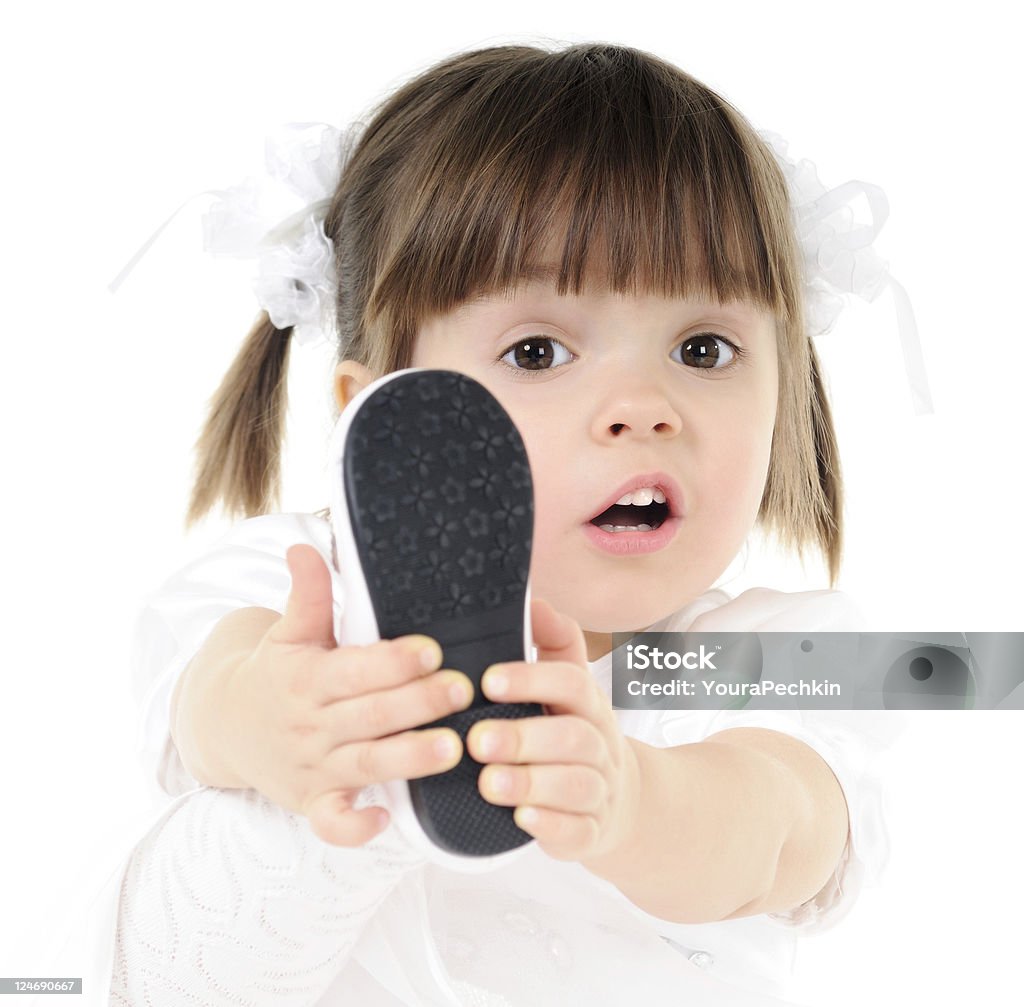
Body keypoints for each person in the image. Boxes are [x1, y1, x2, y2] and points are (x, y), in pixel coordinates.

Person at [87, 42, 910, 1006]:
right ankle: (372, 781)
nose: (643, 406)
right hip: (260, 945)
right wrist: (282, 714)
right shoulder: (291, 582)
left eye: (704, 346)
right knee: (236, 843)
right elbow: (208, 689)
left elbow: (780, 823)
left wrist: (634, 798)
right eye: (536, 348)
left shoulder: (766, 651)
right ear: (383, 411)